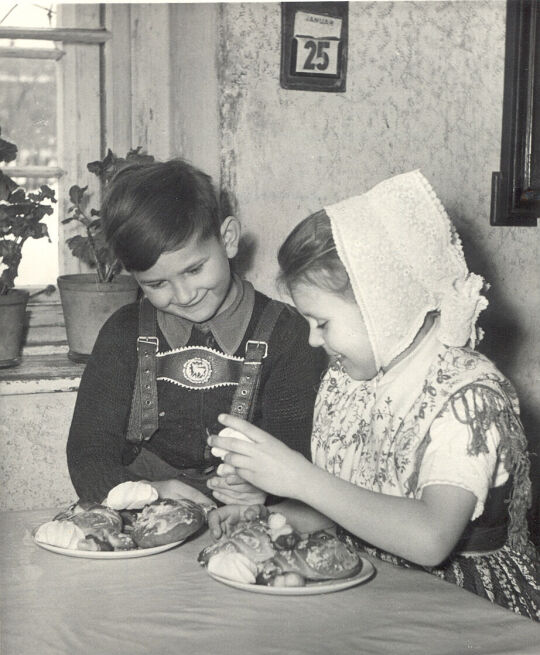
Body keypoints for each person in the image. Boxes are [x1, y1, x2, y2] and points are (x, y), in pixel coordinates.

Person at [207, 170, 539, 620]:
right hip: (376, 580)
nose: (311, 340)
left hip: (465, 602)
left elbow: (429, 538)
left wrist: (300, 478)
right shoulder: (351, 378)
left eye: (321, 323)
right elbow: (355, 507)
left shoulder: (468, 397)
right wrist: (272, 511)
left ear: (382, 304)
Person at [66, 159, 326, 510]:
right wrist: (151, 494)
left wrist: (265, 492)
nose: (185, 295)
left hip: (248, 516)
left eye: (194, 269)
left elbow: (298, 454)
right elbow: (88, 454)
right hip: (144, 514)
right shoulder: (123, 333)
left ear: (228, 239)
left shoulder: (289, 335)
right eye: (157, 284)